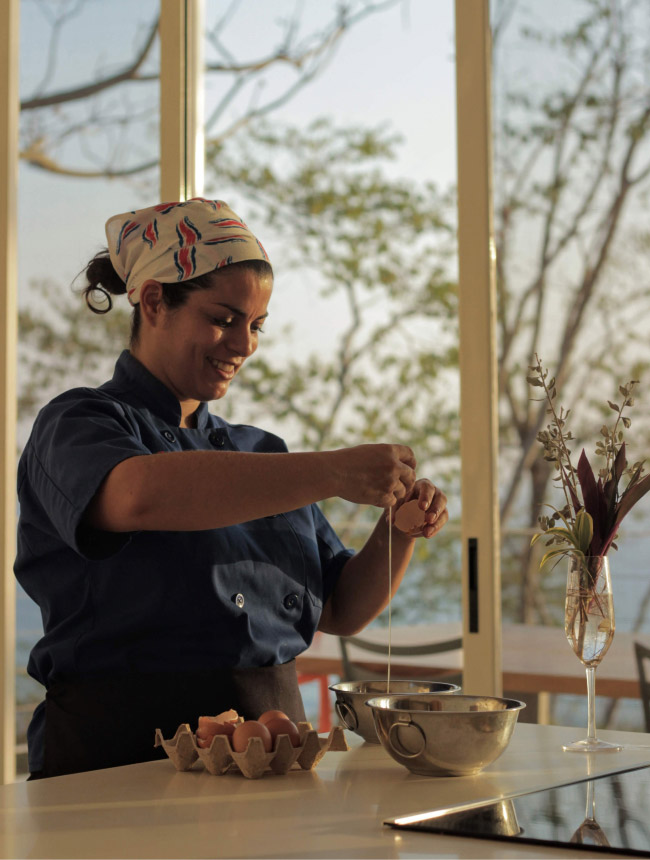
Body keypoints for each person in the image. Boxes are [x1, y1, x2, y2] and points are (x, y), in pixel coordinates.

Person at [15, 197, 449, 779]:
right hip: (116, 759)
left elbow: (343, 607)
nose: (244, 346)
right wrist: (335, 471)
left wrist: (396, 533)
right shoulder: (78, 423)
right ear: (152, 301)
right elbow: (139, 495)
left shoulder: (261, 452)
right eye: (223, 319)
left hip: (275, 757)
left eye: (256, 326)